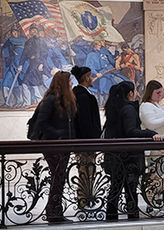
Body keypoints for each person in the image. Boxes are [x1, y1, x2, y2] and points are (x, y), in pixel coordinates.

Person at [103, 81, 162, 221]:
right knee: (130, 189)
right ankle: (132, 217)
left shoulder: (115, 108)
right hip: (128, 156)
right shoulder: (128, 109)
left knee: (115, 188)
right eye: (134, 91)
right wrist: (149, 133)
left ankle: (111, 217)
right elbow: (131, 131)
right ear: (130, 94)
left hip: (116, 155)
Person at [35, 71, 76, 224]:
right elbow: (42, 123)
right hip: (52, 145)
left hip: (62, 145)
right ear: (63, 83)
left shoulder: (64, 100)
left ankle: (55, 211)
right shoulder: (50, 99)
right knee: (58, 178)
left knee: (59, 178)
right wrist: (59, 133)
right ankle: (53, 213)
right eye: (70, 81)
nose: (72, 83)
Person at [139, 80, 164, 203]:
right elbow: (150, 123)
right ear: (150, 92)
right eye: (157, 92)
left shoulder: (156, 105)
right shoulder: (146, 105)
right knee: (154, 175)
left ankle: (158, 200)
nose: (160, 95)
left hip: (161, 143)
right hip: (153, 145)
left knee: (159, 175)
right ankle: (153, 201)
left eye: (161, 92)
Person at [71, 66, 102, 208]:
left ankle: (85, 198)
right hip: (86, 142)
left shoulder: (80, 93)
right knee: (86, 171)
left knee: (87, 171)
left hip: (86, 141)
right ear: (85, 77)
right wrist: (92, 141)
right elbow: (85, 122)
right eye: (90, 75)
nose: (92, 78)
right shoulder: (82, 96)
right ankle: (84, 200)